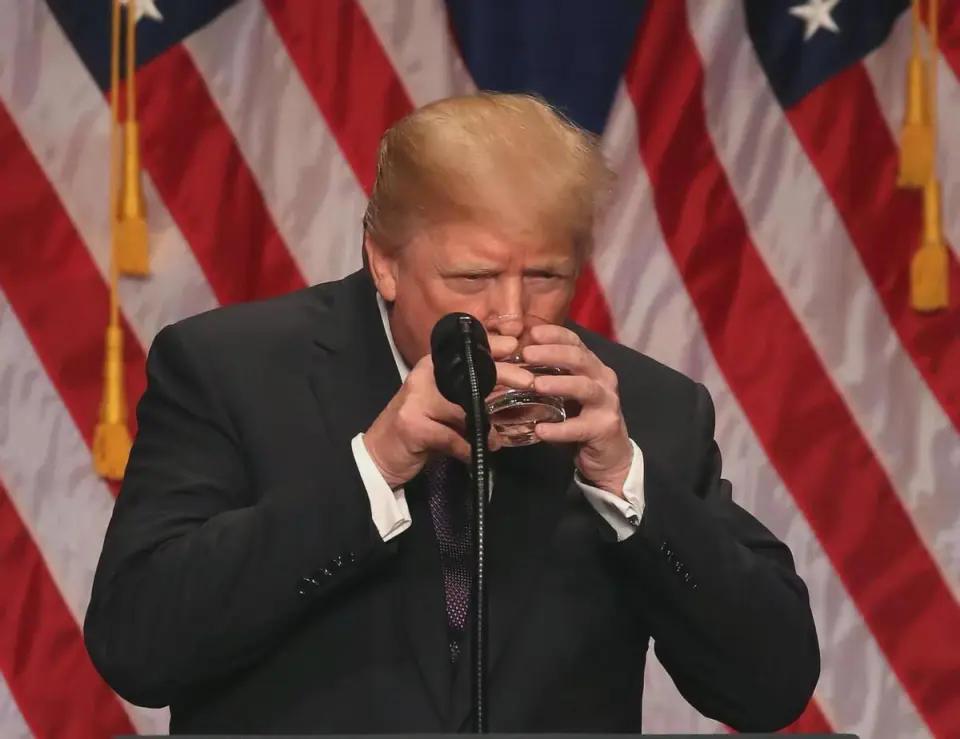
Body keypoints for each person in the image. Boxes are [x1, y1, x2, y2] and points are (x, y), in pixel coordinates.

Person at [84, 93, 819, 733]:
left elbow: (771, 686)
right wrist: (375, 467)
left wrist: (627, 484)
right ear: (384, 261)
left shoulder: (645, 409)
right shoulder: (230, 371)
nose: (510, 313)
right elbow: (139, 645)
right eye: (472, 277)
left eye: (546, 276)